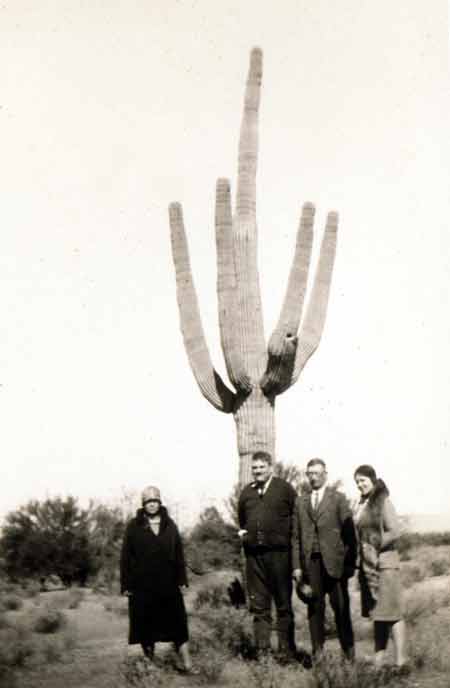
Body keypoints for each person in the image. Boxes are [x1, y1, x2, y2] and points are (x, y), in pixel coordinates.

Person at [120, 486, 197, 673]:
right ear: (143, 504)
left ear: (159, 502)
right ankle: (150, 665)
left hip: (168, 584)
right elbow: (125, 557)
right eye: (148, 502)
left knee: (179, 625)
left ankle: (188, 665)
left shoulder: (170, 525)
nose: (152, 505)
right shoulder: (134, 526)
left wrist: (182, 579)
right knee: (146, 628)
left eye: (155, 501)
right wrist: (126, 584)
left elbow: (179, 553)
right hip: (142, 586)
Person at [292, 458, 357, 661]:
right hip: (311, 564)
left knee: (341, 609)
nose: (313, 477)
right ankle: (318, 657)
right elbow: (295, 536)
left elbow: (350, 535)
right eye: (310, 473)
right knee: (315, 609)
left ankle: (349, 657)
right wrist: (296, 567)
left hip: (335, 564)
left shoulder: (338, 498)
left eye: (317, 473)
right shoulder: (300, 501)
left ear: (325, 474)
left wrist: (349, 564)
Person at [238, 451, 297, 658]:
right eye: (254, 468)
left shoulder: (285, 489)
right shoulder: (247, 492)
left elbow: (296, 519)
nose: (258, 471)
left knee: (283, 604)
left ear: (271, 467)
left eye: (262, 467)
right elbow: (241, 521)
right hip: (255, 557)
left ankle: (287, 652)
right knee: (259, 606)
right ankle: (262, 653)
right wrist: (245, 537)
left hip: (280, 555)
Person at [353, 465, 407, 669]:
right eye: (357, 481)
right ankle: (379, 660)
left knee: (393, 613)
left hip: (385, 565)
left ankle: (401, 661)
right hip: (369, 567)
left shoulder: (383, 502)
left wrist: (372, 546)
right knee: (379, 614)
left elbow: (395, 531)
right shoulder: (362, 504)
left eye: (363, 480)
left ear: (373, 480)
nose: (360, 484)